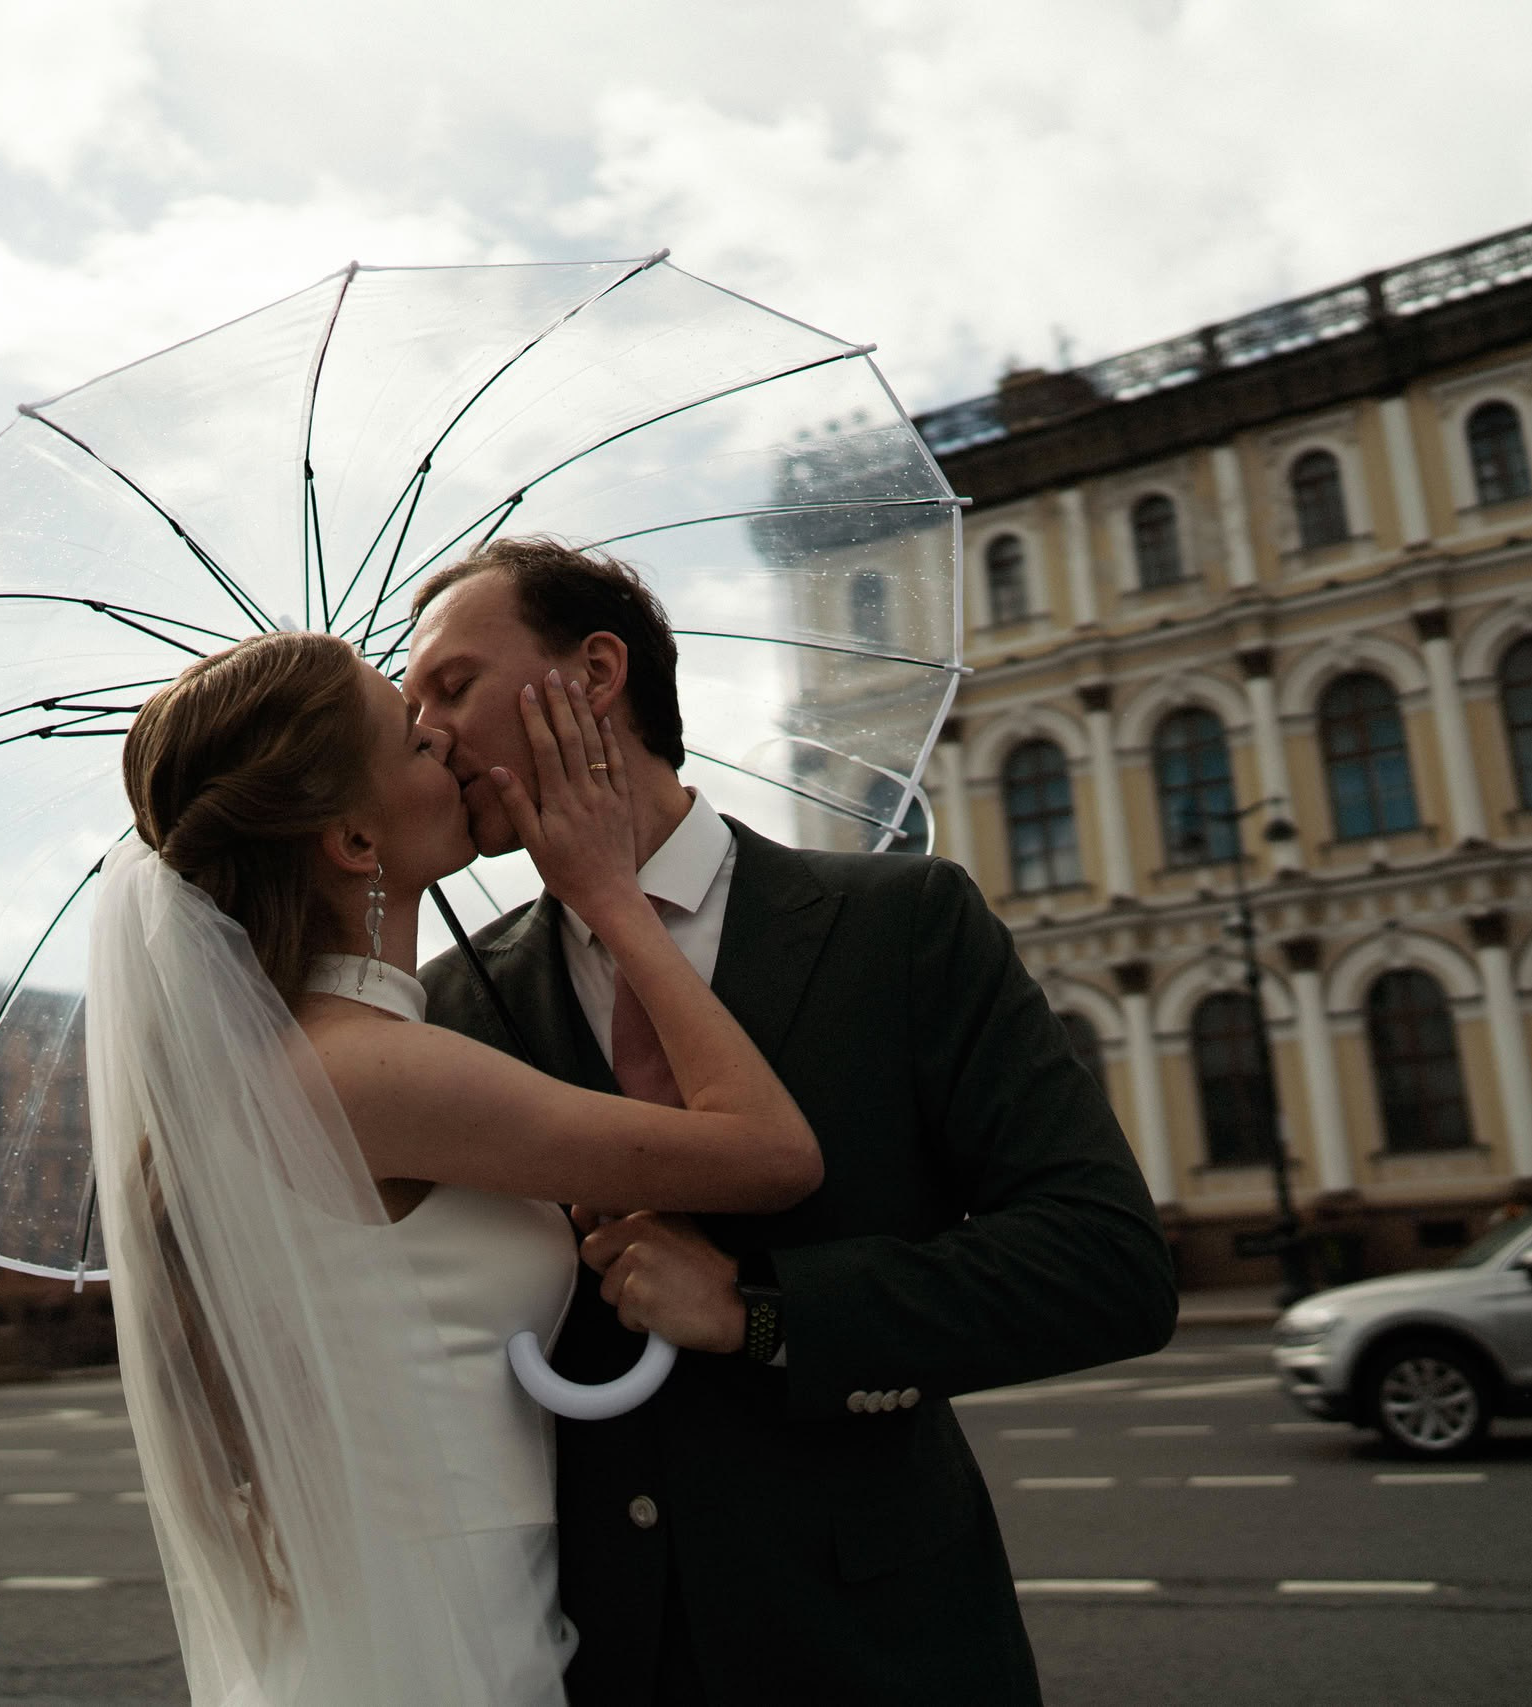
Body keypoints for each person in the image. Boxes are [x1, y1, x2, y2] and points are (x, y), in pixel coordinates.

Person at [406, 537, 1181, 1707]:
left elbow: (1105, 1266)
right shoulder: (456, 1004)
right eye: (411, 705)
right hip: (588, 1664)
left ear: (596, 674)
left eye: (451, 686)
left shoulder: (902, 927)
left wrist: (758, 1315)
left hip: (877, 1655)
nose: (425, 731)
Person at [87, 628, 825, 1706]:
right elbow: (773, 1154)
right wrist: (612, 897)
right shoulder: (361, 1070)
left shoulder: (304, 1063)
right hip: (438, 1647)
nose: (441, 736)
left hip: (424, 1618)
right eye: (408, 736)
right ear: (351, 839)